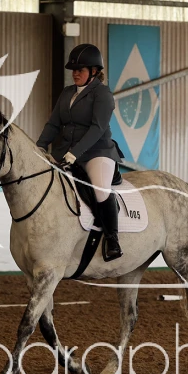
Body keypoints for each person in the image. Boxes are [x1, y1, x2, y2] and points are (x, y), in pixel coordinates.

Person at [36, 43, 124, 262]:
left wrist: (75, 153)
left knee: (101, 190)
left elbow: (98, 128)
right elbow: (53, 124)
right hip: (65, 152)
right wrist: (39, 147)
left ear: (93, 71)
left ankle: (112, 240)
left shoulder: (103, 94)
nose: (75, 73)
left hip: (97, 152)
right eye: (73, 70)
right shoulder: (67, 93)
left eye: (80, 70)